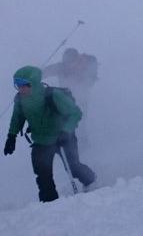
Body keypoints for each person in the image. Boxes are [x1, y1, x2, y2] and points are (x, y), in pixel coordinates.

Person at [4, 66, 96, 202]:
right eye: (18, 85)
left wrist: (66, 130)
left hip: (63, 138)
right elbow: (17, 118)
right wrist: (11, 136)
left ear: (34, 83)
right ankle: (50, 204)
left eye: (25, 85)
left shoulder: (53, 95)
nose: (21, 89)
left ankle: (91, 181)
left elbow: (75, 113)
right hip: (41, 141)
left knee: (73, 167)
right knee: (43, 175)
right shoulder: (20, 100)